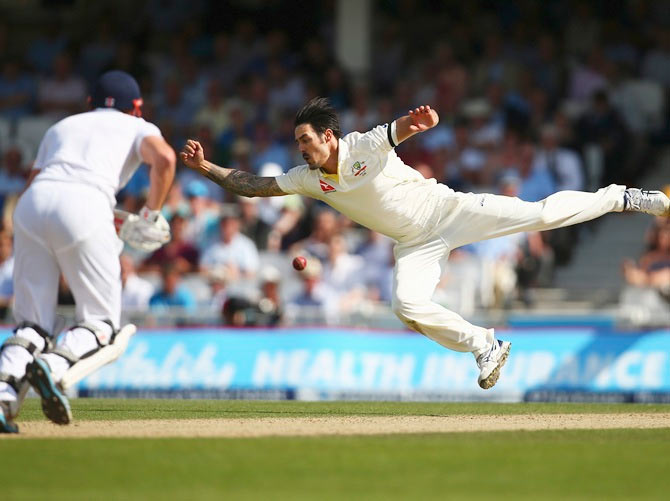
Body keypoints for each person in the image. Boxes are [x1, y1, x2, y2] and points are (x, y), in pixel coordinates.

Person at [180, 97, 670, 392]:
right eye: (298, 143)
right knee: (406, 304)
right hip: (414, 244)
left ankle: (623, 197)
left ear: (328, 136)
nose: (301, 149)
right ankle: (487, 344)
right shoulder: (308, 180)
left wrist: (415, 125)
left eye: (306, 140)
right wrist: (207, 168)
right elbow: (251, 184)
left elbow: (396, 131)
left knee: (539, 214)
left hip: (447, 212)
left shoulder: (363, 145)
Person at [0, 70, 176, 433]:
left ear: (88, 104)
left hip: (32, 206)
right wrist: (150, 213)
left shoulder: (62, 126)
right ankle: (54, 365)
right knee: (102, 324)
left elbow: (38, 184)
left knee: (32, 324)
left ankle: (2, 396)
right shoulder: (139, 127)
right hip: (86, 203)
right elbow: (165, 161)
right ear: (137, 107)